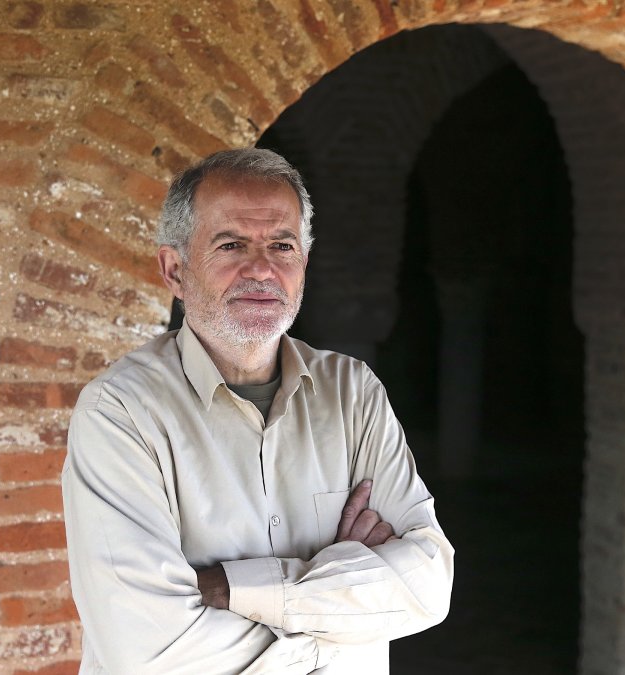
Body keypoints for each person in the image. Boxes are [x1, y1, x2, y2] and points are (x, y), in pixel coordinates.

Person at [62, 148, 454, 673]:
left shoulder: (352, 393)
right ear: (174, 270)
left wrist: (230, 587)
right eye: (231, 244)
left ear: (304, 264)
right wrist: (339, 619)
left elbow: (428, 585)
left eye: (281, 245)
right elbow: (149, 652)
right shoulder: (121, 412)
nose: (262, 269)